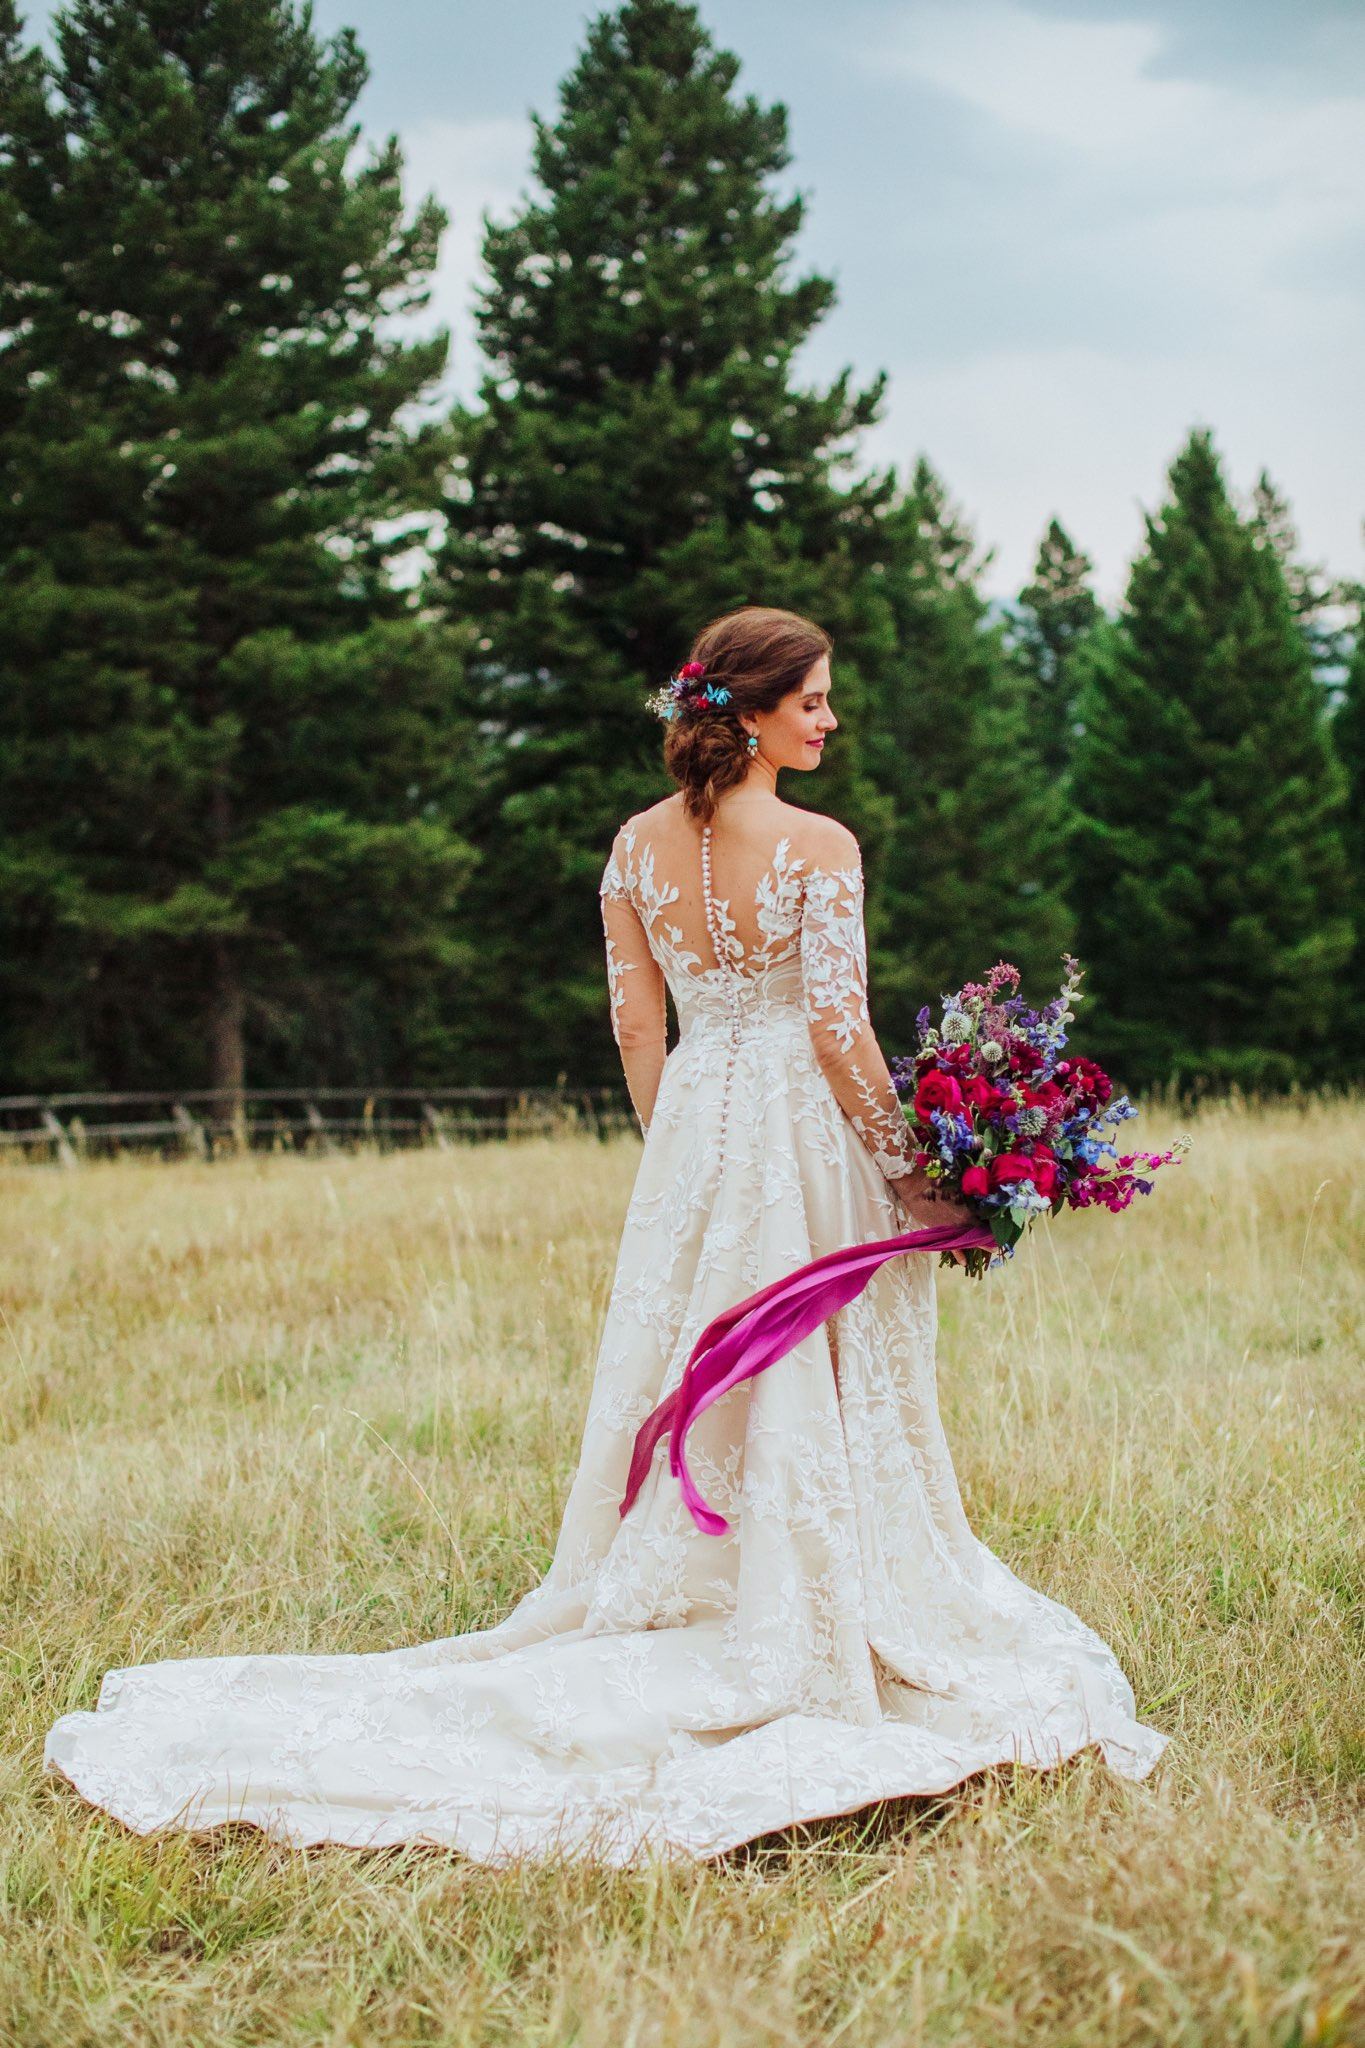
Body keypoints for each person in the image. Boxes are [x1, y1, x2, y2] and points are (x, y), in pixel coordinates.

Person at [43, 605, 1168, 1864]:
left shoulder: (631, 848)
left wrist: (679, 1153)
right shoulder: (821, 845)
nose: (829, 719)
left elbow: (640, 1028)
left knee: (693, 1357)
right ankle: (812, 1604)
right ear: (745, 709)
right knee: (816, 1361)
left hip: (694, 1127)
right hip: (802, 1130)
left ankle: (703, 1579)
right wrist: (912, 1173)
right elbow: (839, 1030)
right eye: (811, 700)